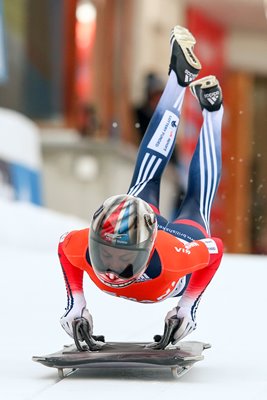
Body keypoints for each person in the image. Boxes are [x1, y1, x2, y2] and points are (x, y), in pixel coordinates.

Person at [58, 25, 224, 344]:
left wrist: (187, 305)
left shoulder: (176, 257)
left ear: (145, 252)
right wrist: (76, 304)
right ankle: (179, 80)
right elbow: (65, 245)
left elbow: (214, 250)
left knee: (196, 201)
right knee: (143, 183)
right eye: (104, 254)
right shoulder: (84, 247)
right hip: (148, 236)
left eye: (123, 260)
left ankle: (211, 110)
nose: (111, 270)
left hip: (176, 239)